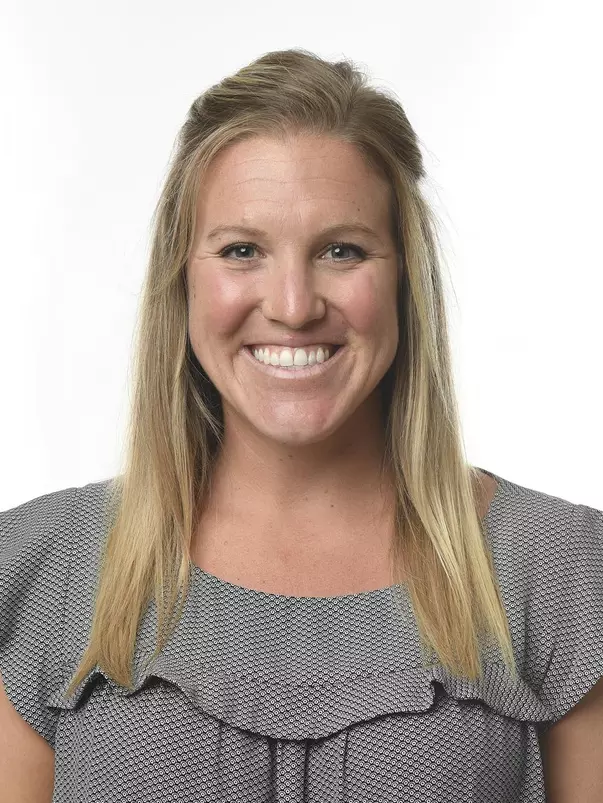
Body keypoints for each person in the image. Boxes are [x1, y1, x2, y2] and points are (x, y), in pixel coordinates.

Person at [1, 47, 602, 802]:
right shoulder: (36, 570)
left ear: (403, 281)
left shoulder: (563, 572)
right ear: (182, 277)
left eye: (340, 250)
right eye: (242, 250)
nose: (292, 304)